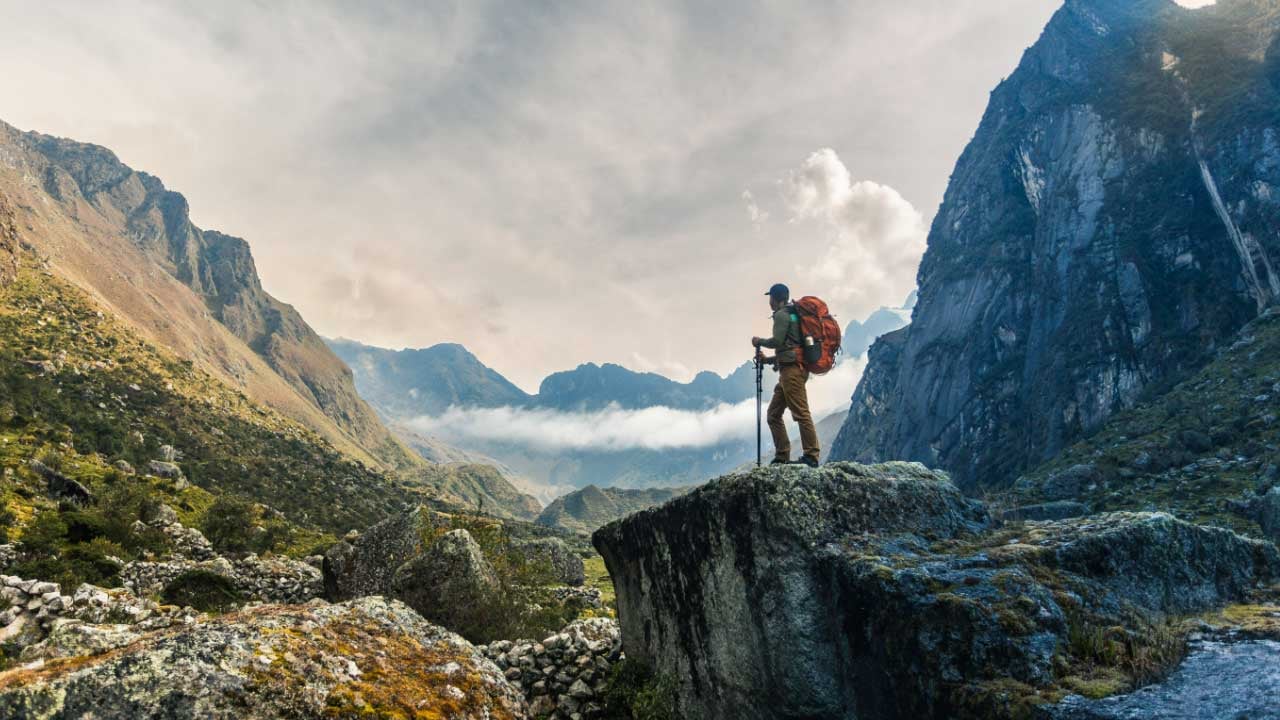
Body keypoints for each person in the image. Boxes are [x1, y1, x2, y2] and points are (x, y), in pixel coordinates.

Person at [752, 283, 820, 467]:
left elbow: (777, 341)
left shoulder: (782, 315)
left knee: (801, 413)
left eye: (770, 298)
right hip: (790, 370)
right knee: (773, 414)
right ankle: (782, 455)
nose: (769, 302)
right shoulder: (792, 314)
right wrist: (766, 361)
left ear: (775, 299)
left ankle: (811, 455)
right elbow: (788, 349)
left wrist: (759, 341)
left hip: (792, 373)